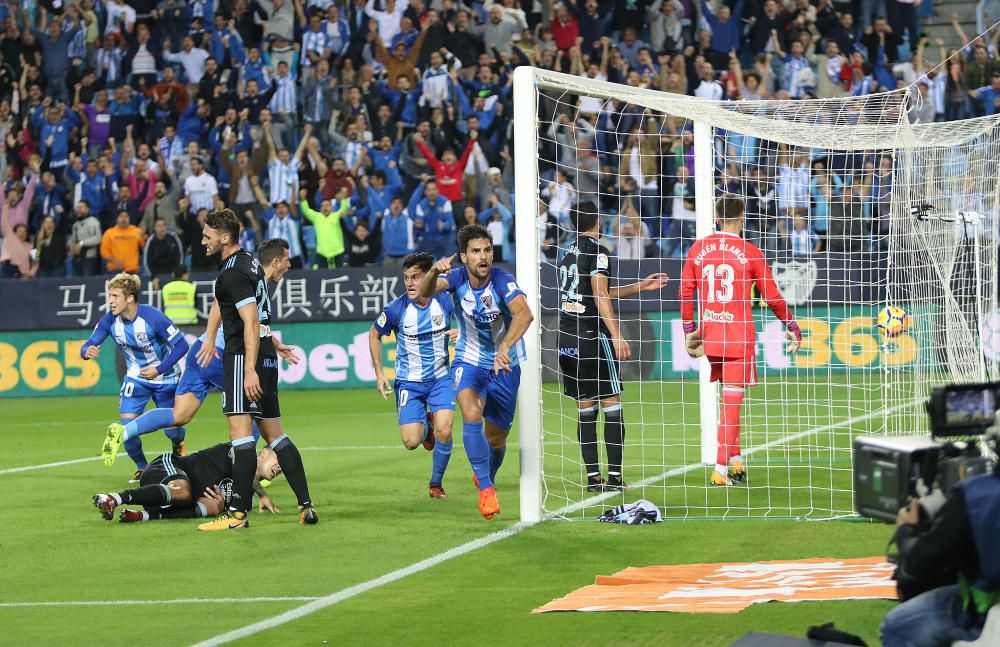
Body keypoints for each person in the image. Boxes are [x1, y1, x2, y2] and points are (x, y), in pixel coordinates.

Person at [101, 241, 299, 456]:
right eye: (287, 260)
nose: (289, 265)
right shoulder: (251, 278)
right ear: (276, 261)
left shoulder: (251, 278)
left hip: (199, 353)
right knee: (256, 408)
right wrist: (212, 340)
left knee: (179, 415)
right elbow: (223, 308)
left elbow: (251, 324)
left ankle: (123, 431)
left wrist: (275, 344)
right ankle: (247, 467)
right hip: (222, 354)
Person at [198, 211, 316, 530]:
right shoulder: (249, 261)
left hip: (242, 358)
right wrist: (272, 346)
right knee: (275, 435)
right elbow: (254, 318)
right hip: (265, 355)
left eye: (207, 235)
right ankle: (306, 506)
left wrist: (247, 369)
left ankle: (237, 515)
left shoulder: (232, 273)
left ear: (225, 238)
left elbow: (249, 321)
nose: (202, 241)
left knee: (241, 438)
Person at [678, 195, 802, 486]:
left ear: (717, 217)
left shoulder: (698, 249)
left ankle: (735, 462)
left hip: (710, 336)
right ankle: (720, 470)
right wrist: (792, 325)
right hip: (738, 337)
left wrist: (689, 332)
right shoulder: (751, 252)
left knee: (728, 399)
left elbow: (685, 291)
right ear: (743, 218)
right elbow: (771, 296)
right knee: (732, 405)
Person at [418, 224, 535, 519]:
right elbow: (423, 292)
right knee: (470, 413)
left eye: (487, 250)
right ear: (463, 256)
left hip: (505, 366)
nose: (483, 257)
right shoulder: (456, 278)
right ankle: (486, 490)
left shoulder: (501, 280)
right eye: (475, 251)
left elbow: (525, 314)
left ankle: (487, 476)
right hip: (469, 361)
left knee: (495, 439)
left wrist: (506, 346)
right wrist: (434, 271)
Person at [557, 203, 668, 491]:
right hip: (593, 336)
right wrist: (617, 334)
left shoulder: (566, 254)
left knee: (585, 408)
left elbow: (597, 292)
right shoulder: (599, 251)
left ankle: (594, 479)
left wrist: (639, 287)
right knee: (612, 405)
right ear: (597, 220)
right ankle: (616, 478)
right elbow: (599, 295)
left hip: (566, 338)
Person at [880, 438, 1000, 647]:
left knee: (898, 626)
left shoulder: (977, 496)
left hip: (990, 614)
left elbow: (920, 563)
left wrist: (906, 531)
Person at [83, 273, 189, 480]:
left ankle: (178, 445)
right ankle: (143, 468)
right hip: (136, 378)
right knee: (125, 426)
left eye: (115, 296)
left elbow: (182, 345)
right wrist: (86, 351)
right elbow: (89, 343)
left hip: (165, 378)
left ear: (130, 298)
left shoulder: (152, 317)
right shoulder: (109, 321)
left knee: (173, 430)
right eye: (110, 296)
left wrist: (159, 369)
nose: (110, 301)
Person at [369, 252, 456, 498]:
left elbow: (467, 318)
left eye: (415, 277)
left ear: (429, 276)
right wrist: (379, 372)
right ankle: (426, 428)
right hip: (409, 382)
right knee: (411, 442)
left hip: (441, 378)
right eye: (406, 277)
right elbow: (373, 334)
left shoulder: (445, 301)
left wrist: (461, 332)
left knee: (446, 431)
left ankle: (436, 483)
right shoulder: (396, 309)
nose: (409, 283)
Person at [93, 444, 282, 522]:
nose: (281, 467)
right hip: (167, 467)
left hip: (164, 497)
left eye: (284, 468)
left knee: (210, 508)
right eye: (279, 460)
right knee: (183, 490)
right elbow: (243, 465)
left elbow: (217, 506)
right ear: (263, 453)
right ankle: (114, 498)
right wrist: (262, 493)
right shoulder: (237, 449)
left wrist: (220, 506)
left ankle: (141, 515)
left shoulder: (245, 501)